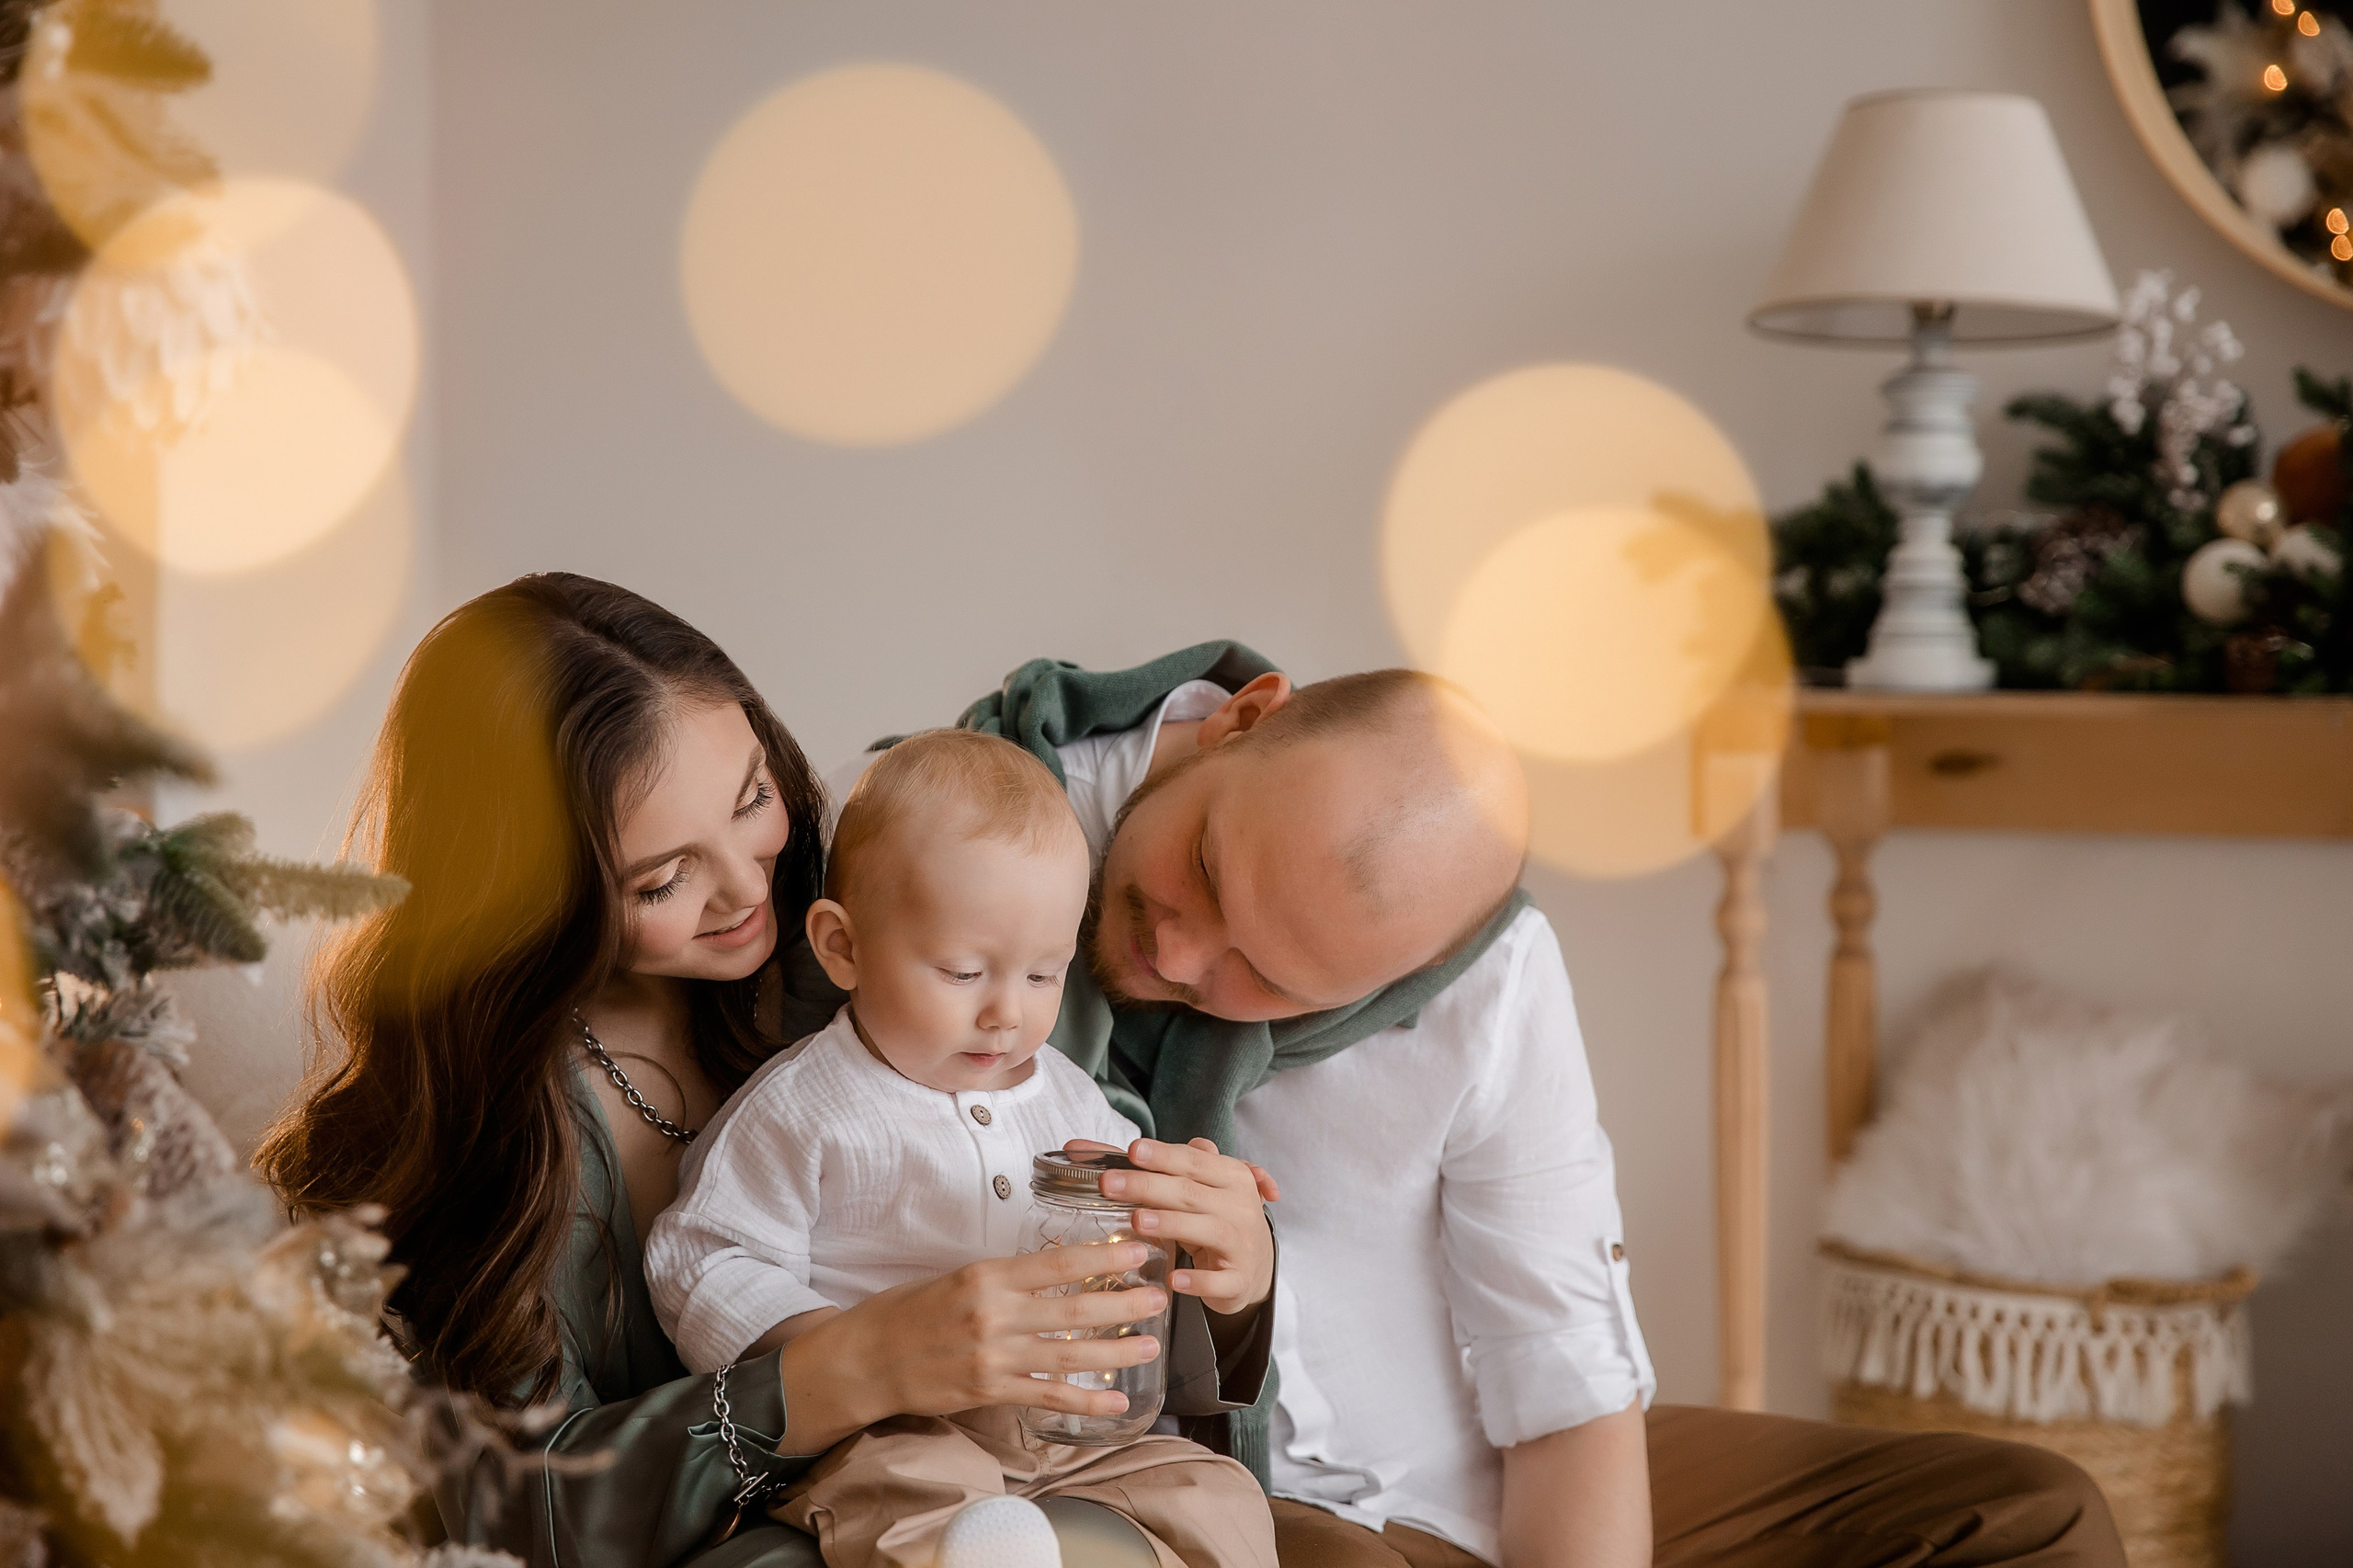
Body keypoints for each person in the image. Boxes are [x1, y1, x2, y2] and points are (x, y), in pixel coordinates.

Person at [838, 642, 2128, 1568]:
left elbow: (1556, 1354)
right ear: (1250, 717)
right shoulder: (953, 853)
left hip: (1470, 1480)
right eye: (1206, 868)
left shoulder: (1487, 977)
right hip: (1206, 1491)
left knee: (2029, 1509)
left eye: (1266, 976)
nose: (1182, 956)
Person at [258, 578, 1274, 1568]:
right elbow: (514, 1511)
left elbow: (1094, 1226)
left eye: (753, 799)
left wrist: (1228, 1279)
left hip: (1045, 1468)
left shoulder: (888, 955)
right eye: (662, 877)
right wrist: (848, 1365)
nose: (747, 888)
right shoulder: (501, 1124)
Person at [646, 729, 1276, 1568]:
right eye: (964, 972)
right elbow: (700, 1257)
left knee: (1219, 1494)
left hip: (1072, 1432)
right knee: (907, 1488)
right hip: (886, 1422)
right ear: (842, 946)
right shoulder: (805, 1109)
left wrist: (1197, 1224)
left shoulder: (1068, 1094)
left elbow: (1134, 1231)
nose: (1007, 1015)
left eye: (1044, 974)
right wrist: (842, 1344)